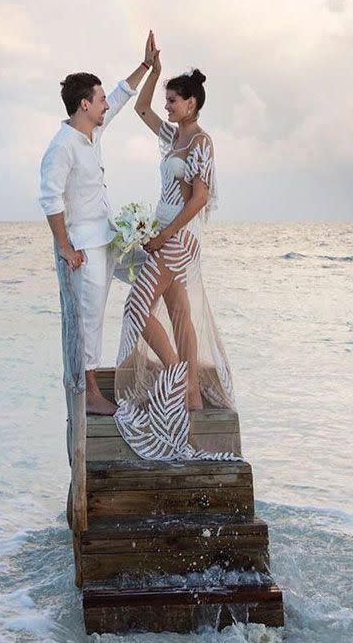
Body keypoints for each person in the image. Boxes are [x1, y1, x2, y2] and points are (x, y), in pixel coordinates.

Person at [113, 46, 237, 460]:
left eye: (173, 99)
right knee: (180, 312)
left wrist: (164, 233)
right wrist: (155, 70)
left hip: (178, 237)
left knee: (136, 306)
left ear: (192, 103)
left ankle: (176, 375)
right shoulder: (171, 136)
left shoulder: (201, 142)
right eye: (167, 98)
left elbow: (200, 198)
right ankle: (192, 397)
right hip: (162, 232)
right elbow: (140, 109)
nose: (165, 105)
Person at [39, 33, 156, 415]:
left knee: (151, 275)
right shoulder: (62, 145)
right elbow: (50, 199)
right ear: (84, 104)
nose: (106, 104)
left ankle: (152, 361)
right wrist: (64, 247)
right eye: (100, 99)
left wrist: (146, 66)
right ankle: (89, 393)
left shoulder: (94, 131)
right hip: (85, 247)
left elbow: (121, 97)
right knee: (90, 318)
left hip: (110, 237)